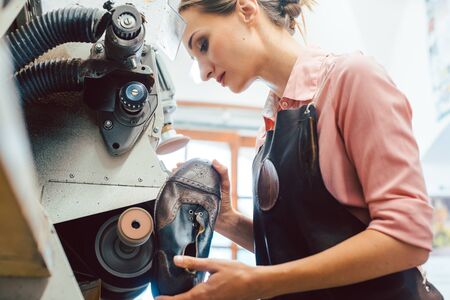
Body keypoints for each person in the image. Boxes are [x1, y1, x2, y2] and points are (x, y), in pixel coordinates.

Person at [156, 0, 436, 299]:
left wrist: (260, 281)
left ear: (246, 10)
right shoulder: (269, 128)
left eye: (203, 44)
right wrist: (227, 220)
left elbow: (408, 238)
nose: (203, 72)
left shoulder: (352, 78)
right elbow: (302, 247)